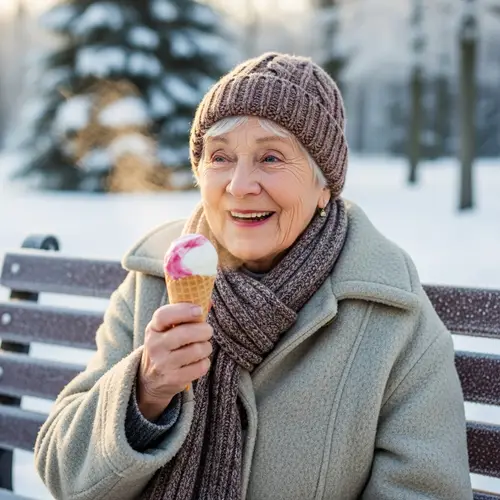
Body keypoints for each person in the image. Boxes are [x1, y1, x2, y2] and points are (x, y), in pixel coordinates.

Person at [34, 52, 473, 500]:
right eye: (220, 157)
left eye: (270, 158)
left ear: (325, 186)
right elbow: (63, 476)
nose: (240, 185)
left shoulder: (393, 315)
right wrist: (143, 393)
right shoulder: (151, 283)